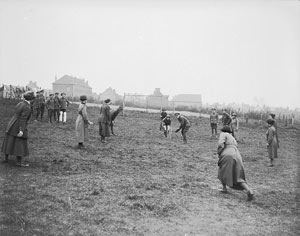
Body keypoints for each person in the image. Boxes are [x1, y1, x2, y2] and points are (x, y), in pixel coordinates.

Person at [217, 125, 254, 201]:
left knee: (222, 170)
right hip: (237, 154)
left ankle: (224, 188)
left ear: (223, 130)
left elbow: (221, 144)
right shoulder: (232, 137)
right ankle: (248, 190)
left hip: (228, 154)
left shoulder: (223, 134)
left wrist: (220, 153)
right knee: (237, 175)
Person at [1, 91, 35, 167]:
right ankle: (19, 162)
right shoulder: (27, 107)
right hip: (18, 125)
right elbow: (23, 119)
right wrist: (21, 130)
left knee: (9, 140)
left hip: (11, 123)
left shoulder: (20, 103)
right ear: (31, 99)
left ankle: (6, 158)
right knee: (20, 142)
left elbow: (16, 114)